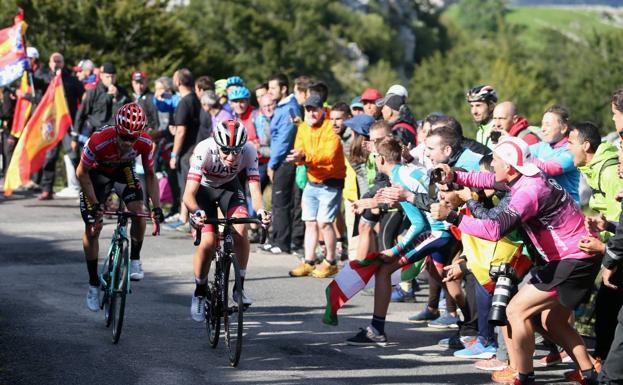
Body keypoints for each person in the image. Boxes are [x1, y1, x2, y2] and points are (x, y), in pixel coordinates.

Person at [431, 136, 601, 385]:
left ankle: (523, 375)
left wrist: (454, 217)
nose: (492, 164)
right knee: (550, 320)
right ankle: (589, 373)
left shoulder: (528, 193)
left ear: (509, 166)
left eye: (496, 160)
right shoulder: (526, 176)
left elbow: (493, 230)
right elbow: (489, 179)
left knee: (515, 310)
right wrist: (454, 176)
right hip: (574, 256)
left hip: (573, 258)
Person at [346, 137, 459, 345]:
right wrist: (374, 202)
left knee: (385, 269)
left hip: (438, 232)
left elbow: (419, 224)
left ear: (380, 159)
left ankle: (376, 330)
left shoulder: (399, 179)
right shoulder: (405, 171)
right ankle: (470, 328)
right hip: (445, 228)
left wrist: (396, 249)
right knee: (446, 277)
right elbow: (417, 206)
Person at [76, 103, 164, 311]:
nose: (127, 142)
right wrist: (96, 204)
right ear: (116, 129)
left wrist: (157, 207)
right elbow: (81, 173)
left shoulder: (144, 142)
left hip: (123, 172)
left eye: (132, 138)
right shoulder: (99, 140)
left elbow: (151, 175)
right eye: (123, 136)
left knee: (138, 210)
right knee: (92, 228)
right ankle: (93, 283)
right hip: (96, 174)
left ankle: (134, 259)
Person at [183, 119, 271, 321]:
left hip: (229, 189)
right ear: (216, 144)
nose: (232, 157)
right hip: (202, 192)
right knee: (207, 243)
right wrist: (196, 212)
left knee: (241, 230)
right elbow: (188, 195)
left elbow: (255, 190)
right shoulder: (204, 150)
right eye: (226, 151)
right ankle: (199, 291)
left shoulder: (249, 150)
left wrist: (261, 211)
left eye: (236, 151)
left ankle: (239, 287)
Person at [287, 95, 346, 278]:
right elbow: (299, 149)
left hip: (331, 182)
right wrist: (298, 158)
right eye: (308, 109)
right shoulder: (303, 128)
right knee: (310, 222)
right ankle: (309, 261)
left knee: (324, 223)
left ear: (322, 110)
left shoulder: (330, 127)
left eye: (315, 109)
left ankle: (331, 262)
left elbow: (328, 155)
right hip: (312, 181)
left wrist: (304, 158)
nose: (311, 112)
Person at [265, 73, 301, 254]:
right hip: (280, 159)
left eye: (273, 88)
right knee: (277, 201)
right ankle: (276, 238)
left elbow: (284, 139)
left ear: (283, 88)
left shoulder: (289, 109)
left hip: (284, 161)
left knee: (281, 201)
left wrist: (272, 163)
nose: (270, 92)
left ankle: (282, 242)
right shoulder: (282, 107)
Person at [168, 68, 201, 234]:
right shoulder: (195, 98)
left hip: (187, 151)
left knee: (186, 187)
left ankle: (187, 220)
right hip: (195, 148)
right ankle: (183, 218)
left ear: (178, 82)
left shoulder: (184, 101)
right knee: (188, 187)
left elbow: (181, 131)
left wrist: (174, 154)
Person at [529, 105, 580, 204]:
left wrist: (524, 157)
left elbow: (549, 169)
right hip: (547, 209)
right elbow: (521, 151)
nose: (543, 129)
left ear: (563, 128)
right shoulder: (542, 146)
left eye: (547, 124)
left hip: (567, 211)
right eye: (542, 124)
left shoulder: (571, 150)